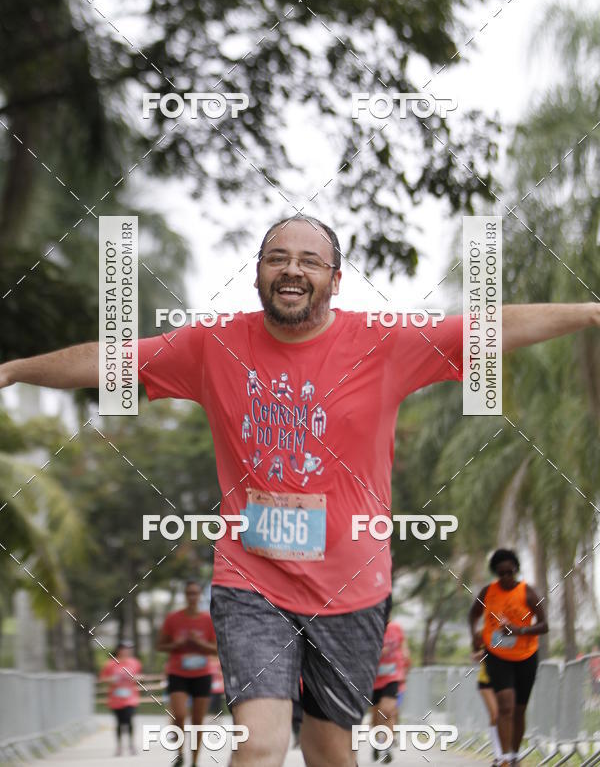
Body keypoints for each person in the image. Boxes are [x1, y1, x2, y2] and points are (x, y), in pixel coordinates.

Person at [0, 214, 596, 767]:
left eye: (310, 261)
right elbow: (114, 360)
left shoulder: (383, 343)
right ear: (257, 274)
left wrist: (589, 312)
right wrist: (14, 369)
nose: (292, 269)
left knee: (328, 751)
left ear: (335, 281)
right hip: (251, 582)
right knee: (258, 744)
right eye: (277, 258)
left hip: (354, 587)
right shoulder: (213, 345)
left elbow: (489, 328)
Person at [469, 549, 548, 767]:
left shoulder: (528, 592)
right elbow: (473, 614)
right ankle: (503, 758)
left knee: (519, 710)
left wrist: (518, 630)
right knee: (506, 706)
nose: (505, 577)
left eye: (509, 572)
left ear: (516, 570)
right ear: (495, 572)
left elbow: (544, 625)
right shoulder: (488, 592)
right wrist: (473, 638)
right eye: (500, 573)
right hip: (497, 655)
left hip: (526, 656)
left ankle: (514, 755)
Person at [157, 580, 218, 767]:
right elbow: (160, 645)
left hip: (202, 674)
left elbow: (216, 650)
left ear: (200, 596)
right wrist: (178, 644)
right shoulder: (173, 619)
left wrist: (199, 644)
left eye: (195, 593)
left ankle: (194, 761)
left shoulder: (208, 620)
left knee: (198, 720)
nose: (192, 597)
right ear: (185, 596)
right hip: (178, 673)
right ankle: (180, 752)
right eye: (189, 593)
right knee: (180, 714)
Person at [370, 616, 411, 763]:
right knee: (376, 716)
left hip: (393, 676)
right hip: (373, 679)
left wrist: (406, 659)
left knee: (388, 710)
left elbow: (404, 647)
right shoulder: (369, 628)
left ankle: (386, 746)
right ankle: (375, 742)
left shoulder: (396, 628)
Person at [98, 640, 142, 757]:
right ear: (119, 650)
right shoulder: (110, 664)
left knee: (129, 720)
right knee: (119, 723)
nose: (127, 651)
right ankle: (119, 746)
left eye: (129, 649)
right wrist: (112, 679)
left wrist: (135, 678)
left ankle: (131, 744)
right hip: (115, 698)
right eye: (124, 648)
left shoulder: (134, 663)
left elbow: (140, 676)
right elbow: (102, 678)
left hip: (130, 697)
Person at [473, 648, 501, 766]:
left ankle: (511, 754)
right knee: (495, 715)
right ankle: (498, 755)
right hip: (487, 680)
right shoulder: (487, 634)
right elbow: (475, 656)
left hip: (510, 677)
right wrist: (485, 653)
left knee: (509, 716)